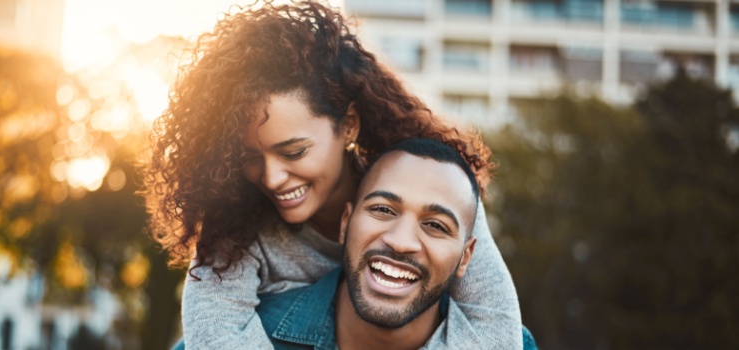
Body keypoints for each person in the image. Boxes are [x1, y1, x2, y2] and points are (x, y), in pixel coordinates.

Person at [142, 1, 521, 348]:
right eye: (250, 156)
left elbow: (496, 328)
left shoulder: (432, 188)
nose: (272, 177)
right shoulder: (236, 220)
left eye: (294, 151)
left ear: (349, 125)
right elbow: (215, 334)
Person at [255, 139, 537, 349]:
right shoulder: (256, 332)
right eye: (383, 210)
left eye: (436, 225)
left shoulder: (514, 344)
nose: (401, 242)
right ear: (345, 223)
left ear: (465, 258)